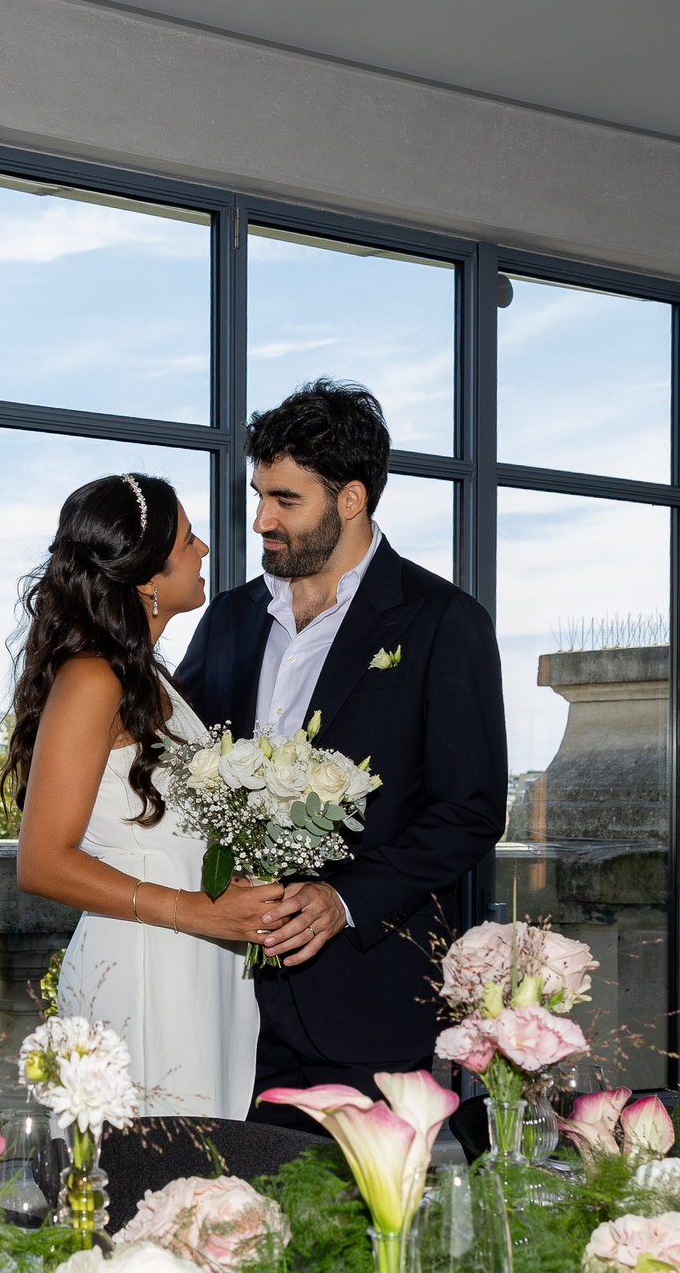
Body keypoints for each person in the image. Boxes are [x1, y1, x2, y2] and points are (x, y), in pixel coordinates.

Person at [171, 380, 508, 1130]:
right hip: (221, 1000)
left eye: (285, 500)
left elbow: (471, 808)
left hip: (368, 1006)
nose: (261, 519)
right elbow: (177, 765)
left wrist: (344, 899)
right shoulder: (229, 618)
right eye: (259, 494)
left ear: (350, 498)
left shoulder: (443, 620)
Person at [9, 472, 277, 1118]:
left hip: (191, 969)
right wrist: (193, 908)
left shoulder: (149, 679)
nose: (205, 549)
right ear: (147, 576)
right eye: (188, 538)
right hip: (145, 974)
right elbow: (40, 859)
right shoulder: (91, 678)